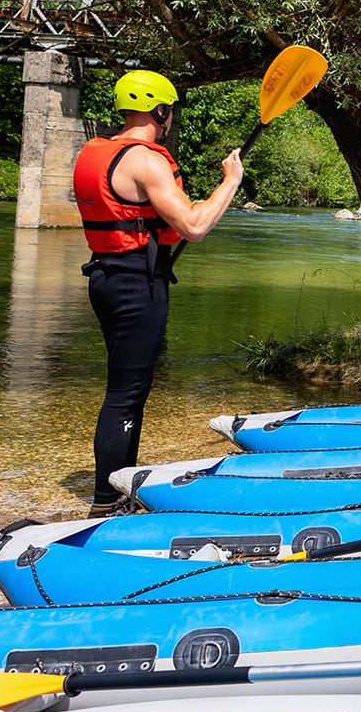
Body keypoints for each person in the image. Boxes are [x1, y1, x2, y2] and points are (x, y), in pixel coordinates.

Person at [72, 69, 244, 517]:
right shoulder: (146, 161)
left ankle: (120, 491)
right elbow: (194, 225)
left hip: (107, 278)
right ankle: (106, 503)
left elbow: (144, 220)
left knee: (128, 389)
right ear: (162, 111)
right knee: (126, 394)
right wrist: (230, 181)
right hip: (135, 287)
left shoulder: (94, 150)